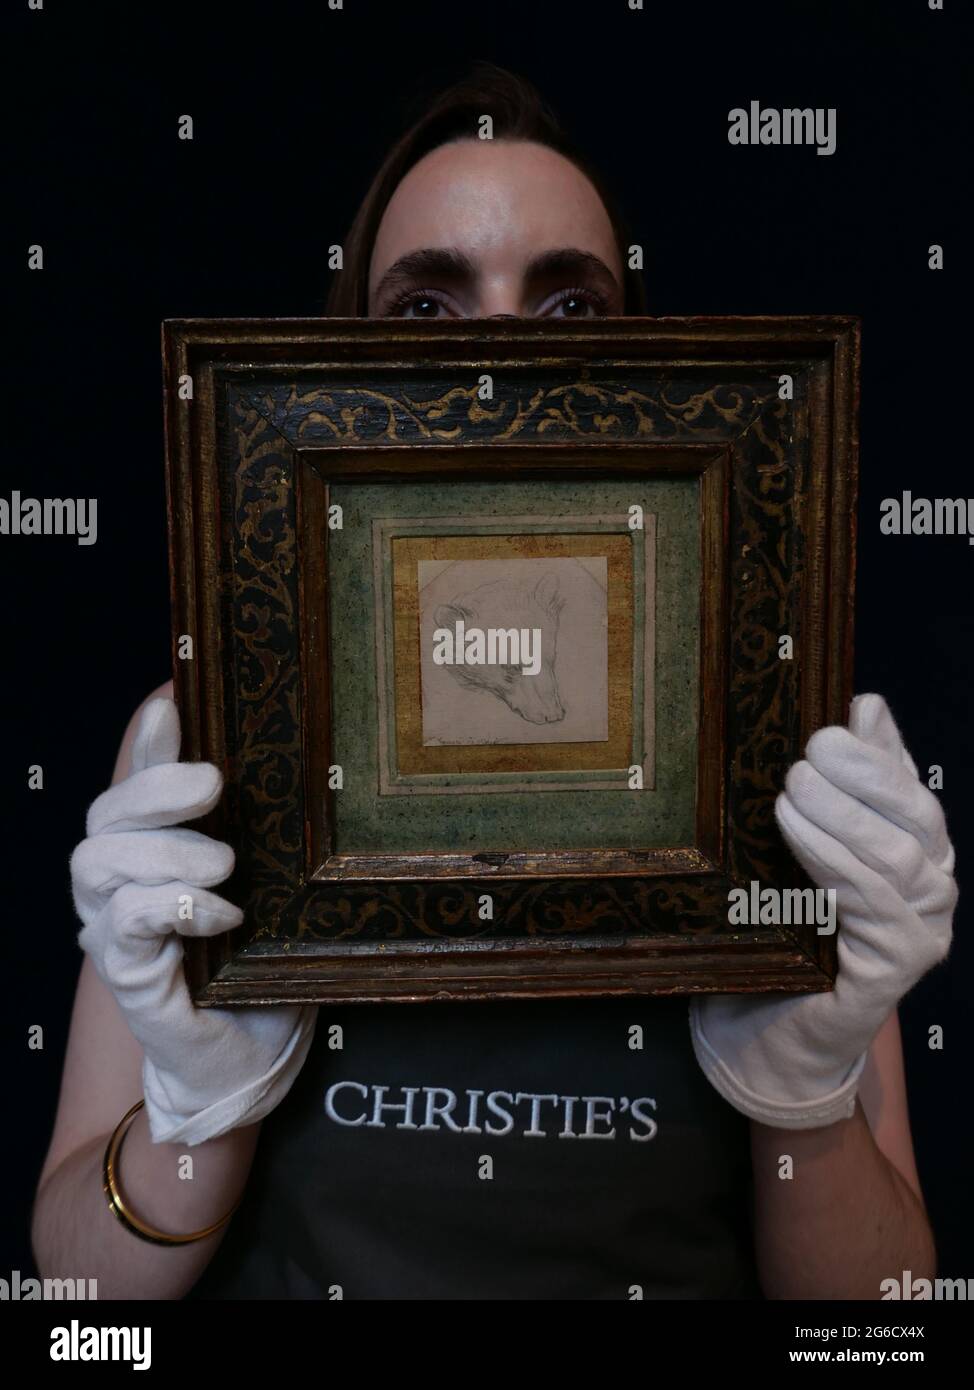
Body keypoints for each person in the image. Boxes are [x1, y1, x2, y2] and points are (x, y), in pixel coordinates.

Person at [31, 63, 956, 1301]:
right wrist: (197, 1110)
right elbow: (80, 1305)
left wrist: (804, 1091)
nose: (499, 352)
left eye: (569, 305)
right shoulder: (203, 744)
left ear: (649, 368)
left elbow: (879, 1323)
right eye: (425, 307)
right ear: (339, 363)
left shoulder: (776, 748)